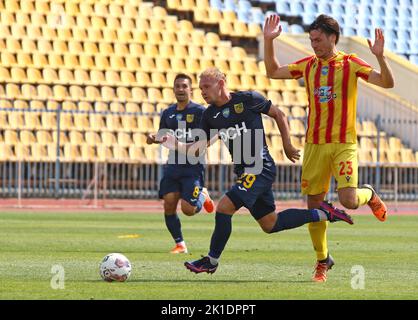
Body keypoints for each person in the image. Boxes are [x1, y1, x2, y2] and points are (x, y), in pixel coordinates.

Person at [160, 67, 353, 275]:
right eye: (200, 88)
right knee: (270, 224)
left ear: (221, 83)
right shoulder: (209, 115)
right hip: (245, 172)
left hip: (260, 166)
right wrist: (177, 145)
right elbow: (201, 145)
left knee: (224, 207)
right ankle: (325, 213)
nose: (203, 92)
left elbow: (278, 114)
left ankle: (211, 260)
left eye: (206, 87)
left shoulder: (248, 99)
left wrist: (287, 145)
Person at [263, 14, 395, 282]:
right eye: (312, 40)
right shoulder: (308, 65)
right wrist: (268, 41)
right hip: (314, 145)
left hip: (343, 143)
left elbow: (386, 83)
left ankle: (367, 194)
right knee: (315, 206)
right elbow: (273, 71)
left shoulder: (350, 63)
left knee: (347, 200)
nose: (315, 45)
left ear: (333, 37)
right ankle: (323, 260)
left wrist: (380, 57)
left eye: (319, 40)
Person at [147, 73, 215, 254]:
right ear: (173, 89)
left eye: (184, 86)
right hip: (173, 165)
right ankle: (180, 244)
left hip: (193, 167)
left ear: (191, 89)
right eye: (177, 86)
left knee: (188, 210)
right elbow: (162, 135)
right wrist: (153, 138)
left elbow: (209, 136)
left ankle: (203, 195)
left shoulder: (201, 112)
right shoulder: (168, 113)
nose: (180, 89)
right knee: (168, 204)